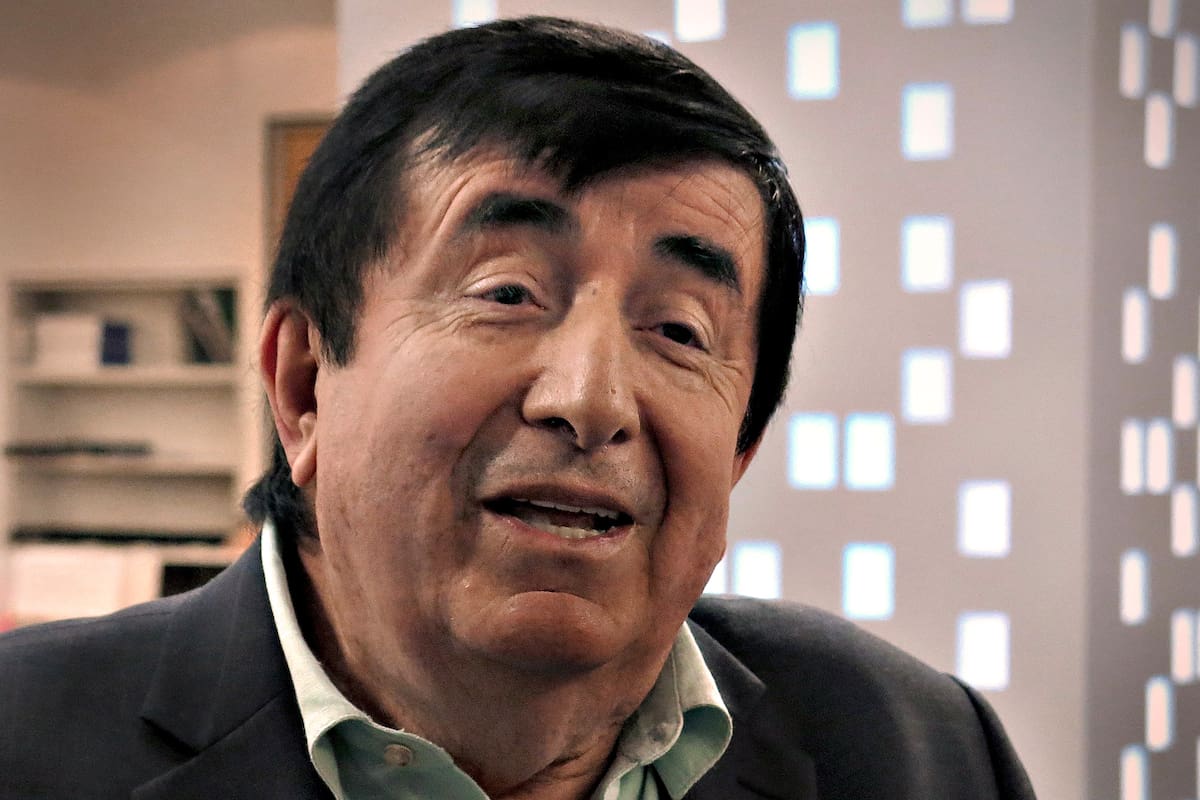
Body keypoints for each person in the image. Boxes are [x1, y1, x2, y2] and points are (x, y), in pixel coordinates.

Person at [0, 16, 1036, 800]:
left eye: (680, 331)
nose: (591, 401)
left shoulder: (915, 750)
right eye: (506, 293)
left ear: (742, 448)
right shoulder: (25, 742)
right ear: (305, 383)